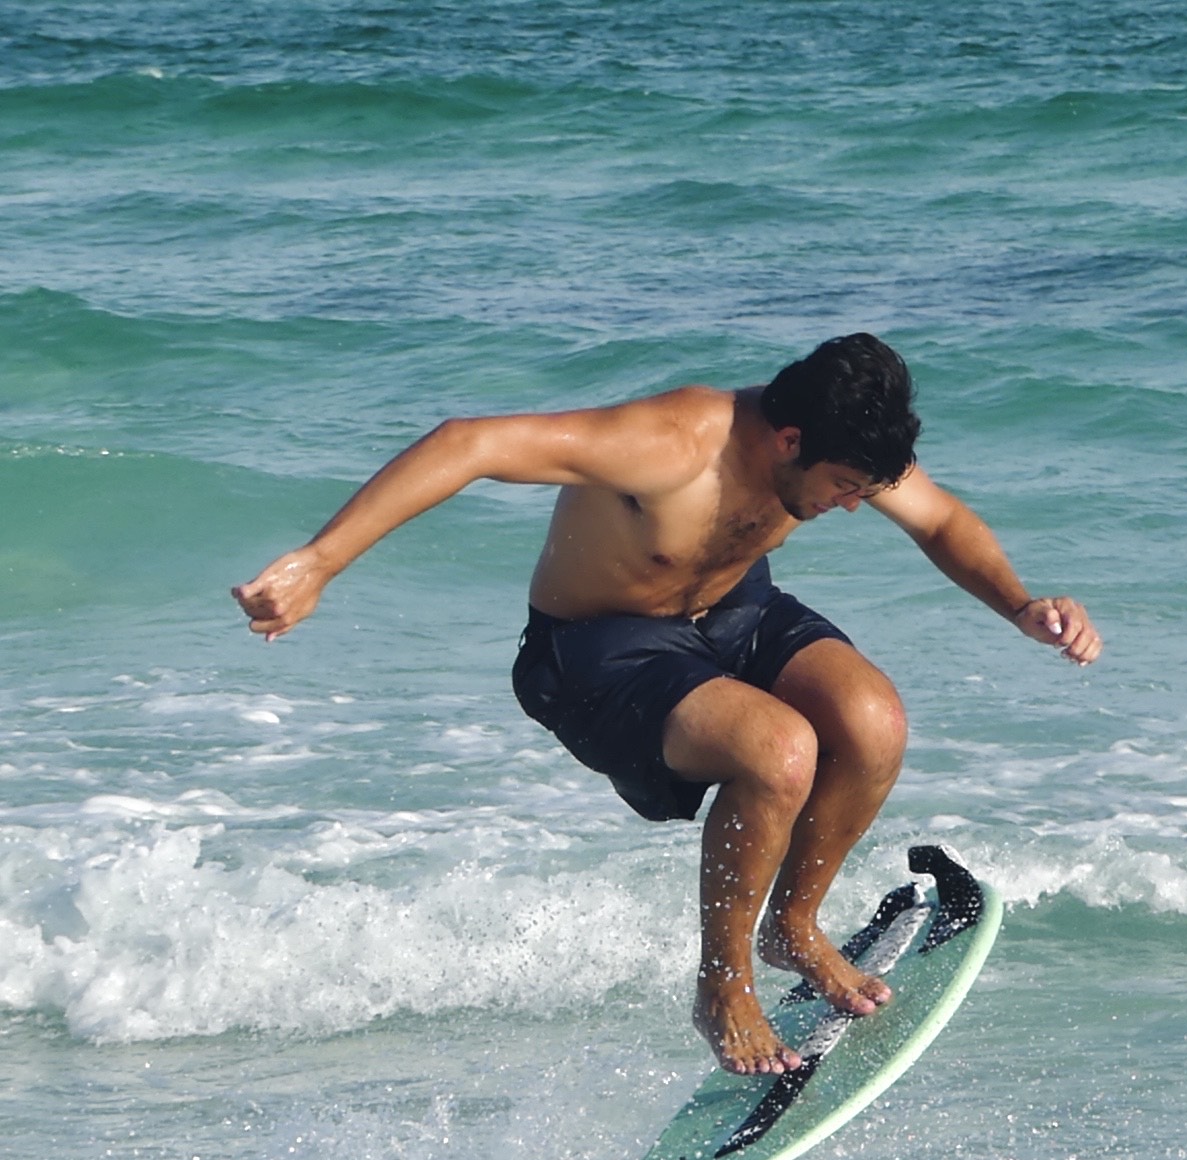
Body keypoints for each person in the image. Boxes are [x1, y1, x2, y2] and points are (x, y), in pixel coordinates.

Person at [233, 334, 1101, 1076]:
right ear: (788, 438)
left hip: (731, 616)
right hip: (595, 650)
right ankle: (723, 984)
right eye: (840, 485)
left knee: (874, 721)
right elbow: (470, 443)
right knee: (778, 751)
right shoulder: (669, 443)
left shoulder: (843, 448)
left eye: (862, 491)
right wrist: (320, 561)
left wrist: (1021, 604)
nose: (848, 507)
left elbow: (942, 522)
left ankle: (792, 929)